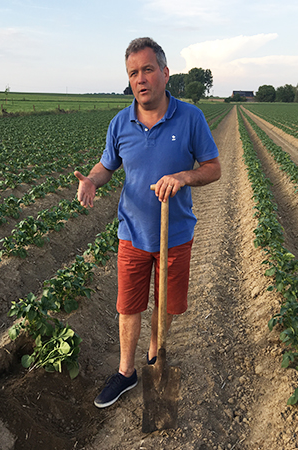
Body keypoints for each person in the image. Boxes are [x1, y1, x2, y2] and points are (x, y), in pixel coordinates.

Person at [74, 37, 221, 408]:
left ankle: (156, 360)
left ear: (165, 73)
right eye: (133, 73)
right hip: (132, 232)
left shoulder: (191, 118)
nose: (140, 79)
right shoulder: (119, 124)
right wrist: (92, 180)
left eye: (147, 69)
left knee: (165, 304)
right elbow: (107, 166)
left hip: (176, 233)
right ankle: (126, 372)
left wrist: (185, 177)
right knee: (129, 305)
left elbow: (213, 168)